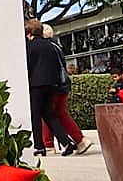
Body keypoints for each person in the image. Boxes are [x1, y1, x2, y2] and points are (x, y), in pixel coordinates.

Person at [41, 24, 91, 154]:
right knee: (61, 113)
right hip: (63, 85)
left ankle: (48, 144)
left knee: (46, 113)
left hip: (53, 85)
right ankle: (80, 140)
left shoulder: (46, 48)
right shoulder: (57, 46)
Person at [25, 20, 66, 159]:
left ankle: (39, 146)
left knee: (35, 115)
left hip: (36, 84)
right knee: (49, 114)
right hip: (52, 83)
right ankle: (66, 142)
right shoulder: (51, 45)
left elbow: (28, 65)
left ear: (29, 32)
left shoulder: (29, 47)